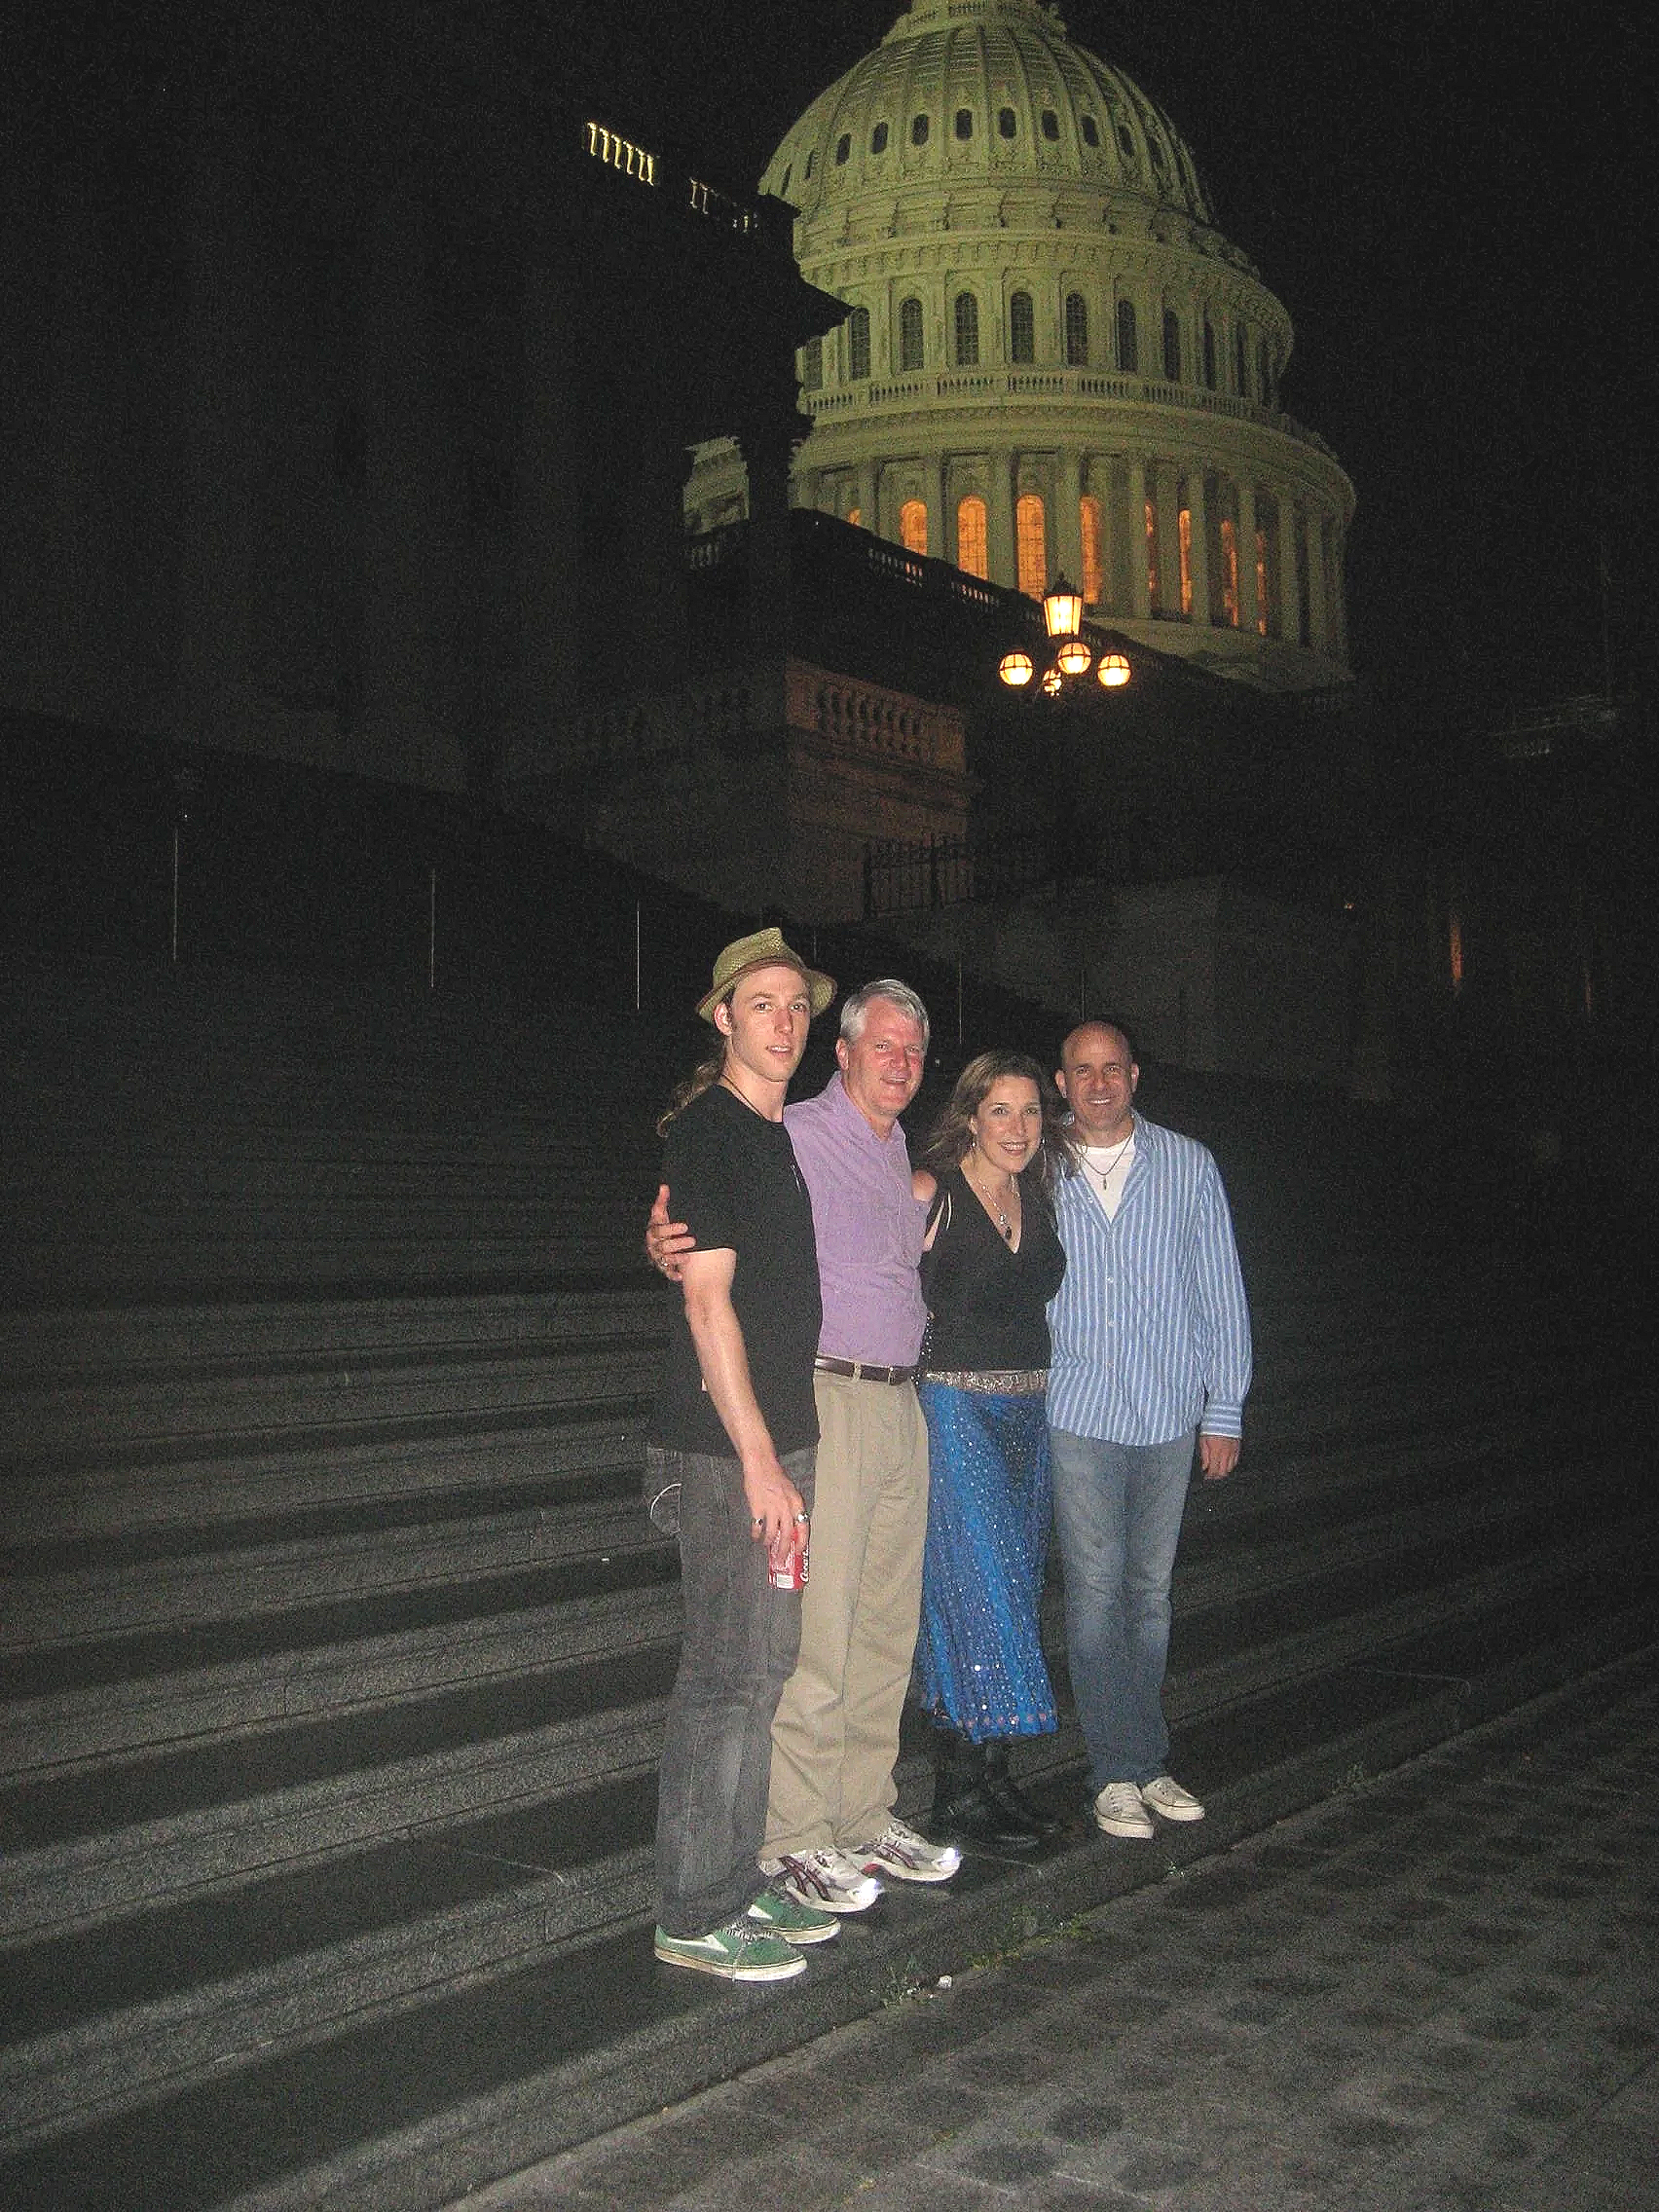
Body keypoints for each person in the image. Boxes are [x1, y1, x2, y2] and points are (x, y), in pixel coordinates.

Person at [648, 977, 962, 1915]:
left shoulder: (890, 1146)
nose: (900, 1065)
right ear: (846, 1053)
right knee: (804, 1642)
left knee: (880, 1627)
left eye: (914, 1051)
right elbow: (705, 1239)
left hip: (898, 1397)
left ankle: (862, 1811)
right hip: (821, 1395)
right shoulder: (791, 1132)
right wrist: (664, 1240)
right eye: (883, 1047)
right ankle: (791, 1839)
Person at [646, 928, 843, 1981]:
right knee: (724, 1675)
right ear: (722, 1017)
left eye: (797, 1005)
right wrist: (763, 1459)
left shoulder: (769, 1136)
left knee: (763, 1669)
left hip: (774, 1443)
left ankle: (732, 1878)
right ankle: (692, 1905)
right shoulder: (711, 1133)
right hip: (725, 1452)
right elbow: (710, 1304)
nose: (785, 1021)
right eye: (762, 1003)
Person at [1047, 1018, 1253, 1841]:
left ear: (1136, 1074)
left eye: (1112, 1068)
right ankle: (1115, 1771)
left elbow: (1220, 1290)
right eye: (1081, 1070)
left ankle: (1148, 1760)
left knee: (1150, 1597)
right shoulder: (1037, 1162)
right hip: (1077, 1411)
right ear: (1061, 1082)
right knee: (1096, 1596)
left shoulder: (1188, 1165)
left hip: (1168, 1409)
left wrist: (1223, 1407)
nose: (1098, 1083)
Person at [909, 1051, 1070, 1852]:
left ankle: (993, 1781)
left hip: (1027, 1416)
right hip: (954, 1407)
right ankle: (957, 1795)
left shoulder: (1037, 1193)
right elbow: (859, 1270)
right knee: (977, 1596)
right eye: (1001, 1111)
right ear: (970, 1115)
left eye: (1032, 1112)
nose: (1018, 1128)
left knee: (1012, 1585)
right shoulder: (929, 1192)